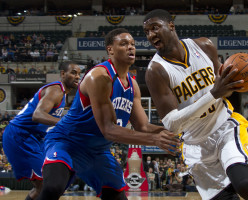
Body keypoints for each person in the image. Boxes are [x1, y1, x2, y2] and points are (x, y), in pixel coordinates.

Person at [143, 9, 248, 200]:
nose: (151, 35)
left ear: (171, 25)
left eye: (155, 28)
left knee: (243, 184)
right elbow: (171, 124)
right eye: (147, 32)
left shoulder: (204, 46)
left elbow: (226, 87)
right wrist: (213, 94)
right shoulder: (155, 71)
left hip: (224, 127)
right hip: (195, 145)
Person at [36, 28, 180, 200]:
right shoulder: (99, 77)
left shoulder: (133, 86)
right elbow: (109, 130)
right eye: (124, 44)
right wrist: (156, 140)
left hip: (98, 151)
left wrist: (173, 133)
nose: (131, 48)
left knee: (118, 197)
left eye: (133, 44)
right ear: (110, 49)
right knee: (52, 188)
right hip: (68, 142)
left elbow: (143, 126)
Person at [2, 61, 81, 200]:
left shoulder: (62, 94)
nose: (77, 77)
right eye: (73, 72)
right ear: (63, 74)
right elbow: (37, 115)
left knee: (56, 179)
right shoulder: (56, 90)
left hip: (34, 137)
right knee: (46, 184)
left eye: (79, 74)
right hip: (20, 135)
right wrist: (66, 124)